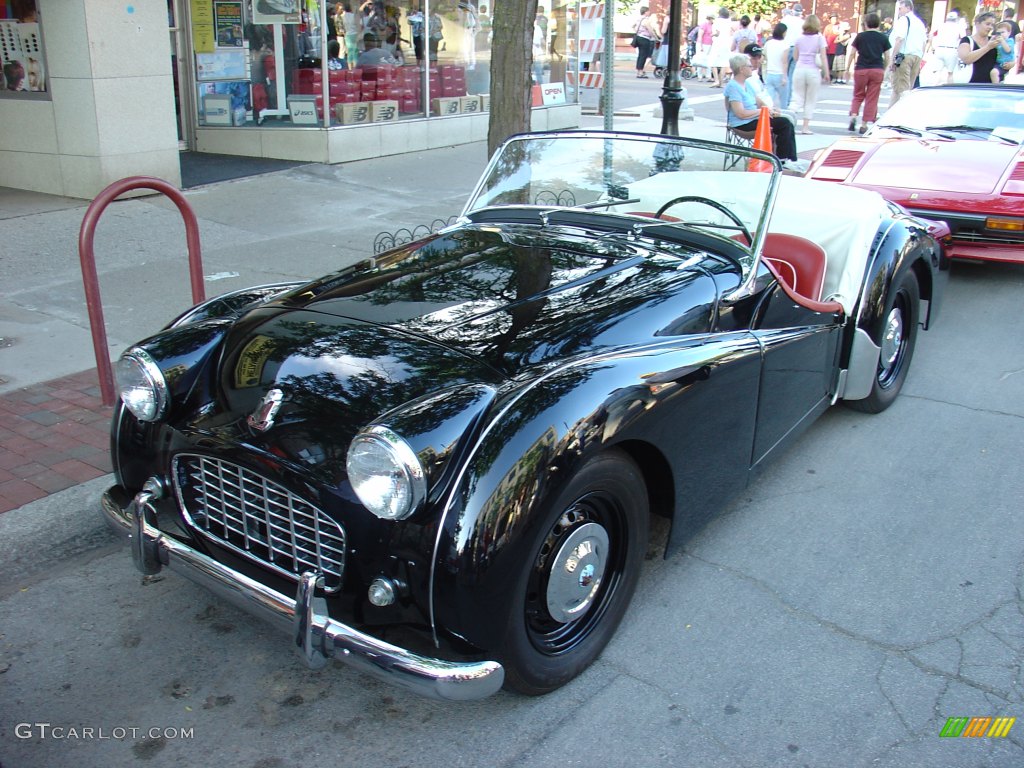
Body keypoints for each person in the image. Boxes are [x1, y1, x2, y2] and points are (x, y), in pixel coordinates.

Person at [725, 53, 798, 162]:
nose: (752, 68)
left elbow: (759, 102)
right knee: (784, 123)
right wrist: (762, 112)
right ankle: (783, 159)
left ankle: (788, 158)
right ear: (741, 69)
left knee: (790, 117)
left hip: (753, 118)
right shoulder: (733, 87)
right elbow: (741, 113)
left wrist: (770, 110)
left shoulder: (747, 84)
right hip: (743, 124)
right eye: (749, 66)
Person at [847, 13, 890, 135]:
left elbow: (852, 53)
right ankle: (864, 124)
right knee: (872, 98)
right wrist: (885, 69)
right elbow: (888, 56)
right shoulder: (883, 38)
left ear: (866, 24)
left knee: (858, 94)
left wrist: (847, 68)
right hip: (877, 69)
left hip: (861, 69)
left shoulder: (860, 36)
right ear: (878, 23)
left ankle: (853, 116)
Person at [789, 14, 829, 135]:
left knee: (797, 98)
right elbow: (823, 56)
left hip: (800, 69)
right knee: (810, 100)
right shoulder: (819, 38)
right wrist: (826, 73)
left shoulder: (799, 38)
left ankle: (789, 121)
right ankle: (805, 127)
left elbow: (795, 56)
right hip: (813, 71)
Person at [888, 0, 927, 105]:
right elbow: (924, 43)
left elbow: (899, 39)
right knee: (901, 88)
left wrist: (892, 58)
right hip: (916, 57)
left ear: (908, 7)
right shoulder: (920, 23)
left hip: (904, 56)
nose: (899, 11)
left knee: (902, 90)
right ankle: (890, 114)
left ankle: (906, 113)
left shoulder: (904, 20)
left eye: (900, 8)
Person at [958, 12, 1001, 84]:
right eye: (987, 24)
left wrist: (1011, 63)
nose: (990, 27)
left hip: (991, 86)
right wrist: (988, 47)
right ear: (977, 24)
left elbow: (1005, 57)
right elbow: (966, 59)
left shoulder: (994, 40)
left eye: (992, 25)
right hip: (970, 84)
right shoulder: (966, 40)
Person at [930, 12, 963, 83]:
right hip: (952, 50)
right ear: (956, 19)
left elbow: (931, 34)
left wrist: (932, 46)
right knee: (950, 73)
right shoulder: (958, 27)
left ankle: (934, 88)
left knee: (937, 72)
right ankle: (950, 90)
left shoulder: (941, 26)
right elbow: (962, 38)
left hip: (939, 49)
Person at [763, 22, 790, 108]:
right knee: (783, 101)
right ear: (783, 32)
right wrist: (785, 77)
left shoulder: (768, 43)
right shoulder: (785, 45)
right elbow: (784, 62)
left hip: (769, 73)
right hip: (780, 74)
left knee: (769, 101)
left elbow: (765, 57)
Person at [709, 7, 733, 87]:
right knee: (723, 63)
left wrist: (712, 34)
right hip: (726, 43)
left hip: (718, 43)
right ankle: (721, 82)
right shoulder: (729, 22)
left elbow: (717, 33)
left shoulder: (717, 21)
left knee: (713, 62)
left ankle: (716, 80)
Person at [634, 7, 660, 79]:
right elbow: (651, 30)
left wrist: (638, 32)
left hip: (639, 37)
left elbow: (634, 27)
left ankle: (639, 71)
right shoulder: (645, 20)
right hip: (645, 39)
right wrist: (656, 38)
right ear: (645, 12)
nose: (649, 13)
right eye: (648, 11)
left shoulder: (639, 19)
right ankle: (640, 72)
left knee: (640, 55)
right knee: (643, 55)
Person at [698, 14, 715, 81]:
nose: (713, 20)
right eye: (712, 19)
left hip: (709, 44)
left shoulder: (712, 25)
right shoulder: (704, 25)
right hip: (704, 44)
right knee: (701, 59)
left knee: (709, 60)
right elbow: (700, 35)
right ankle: (700, 76)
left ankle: (708, 76)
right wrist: (700, 46)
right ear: (710, 19)